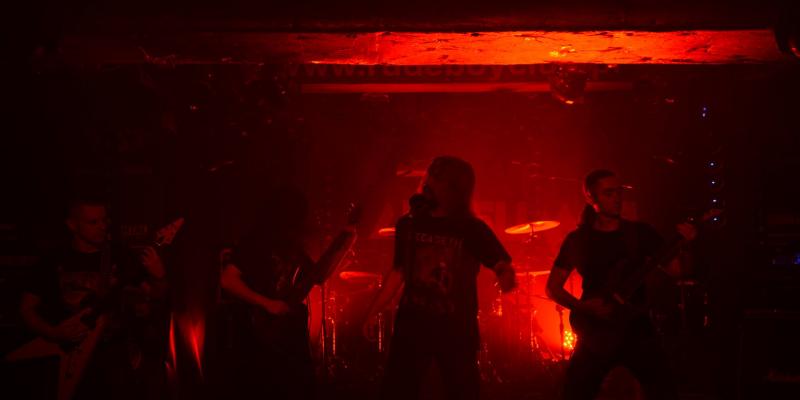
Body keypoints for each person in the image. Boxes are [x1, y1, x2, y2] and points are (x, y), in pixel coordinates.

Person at [363, 156, 517, 400]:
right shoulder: (409, 224)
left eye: (437, 178)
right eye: (430, 175)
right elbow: (399, 271)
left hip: (456, 329)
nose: (428, 182)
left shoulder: (470, 228)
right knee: (397, 390)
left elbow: (500, 261)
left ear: (453, 188)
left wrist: (506, 275)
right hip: (412, 326)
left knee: (462, 391)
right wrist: (374, 310)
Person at [545, 169, 697, 400]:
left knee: (664, 391)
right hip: (597, 332)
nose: (617, 198)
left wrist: (686, 244)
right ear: (590, 197)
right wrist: (583, 307)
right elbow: (552, 287)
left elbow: (678, 271)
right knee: (574, 393)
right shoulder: (578, 240)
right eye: (609, 193)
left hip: (636, 328)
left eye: (619, 192)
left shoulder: (640, 233)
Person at [18, 198, 167, 400]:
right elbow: (26, 308)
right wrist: (54, 333)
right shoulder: (52, 259)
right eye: (93, 222)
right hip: (66, 358)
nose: (102, 227)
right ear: (72, 225)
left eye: (104, 220)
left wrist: (159, 277)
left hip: (113, 362)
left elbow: (156, 297)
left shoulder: (121, 256)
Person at [219, 185, 357, 400]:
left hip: (288, 337)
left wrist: (344, 246)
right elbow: (227, 279)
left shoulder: (293, 246)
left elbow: (317, 277)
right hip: (261, 339)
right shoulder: (256, 242)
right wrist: (266, 303)